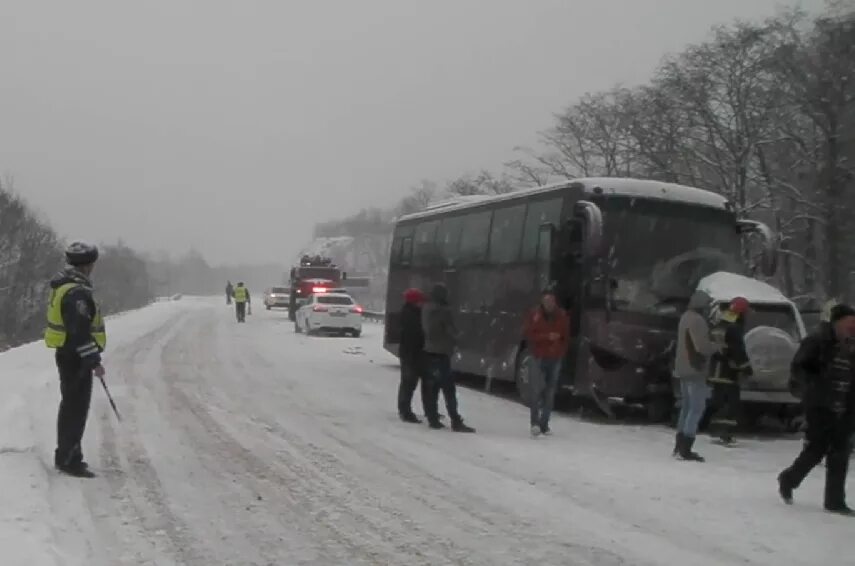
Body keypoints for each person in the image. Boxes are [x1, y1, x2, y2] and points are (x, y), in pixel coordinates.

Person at [778, 303, 855, 515]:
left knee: (840, 453)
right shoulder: (817, 342)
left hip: (846, 405)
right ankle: (789, 479)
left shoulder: (851, 345)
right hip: (820, 404)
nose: (853, 327)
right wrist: (813, 387)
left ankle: (835, 502)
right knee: (816, 449)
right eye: (849, 323)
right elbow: (799, 369)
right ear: (837, 322)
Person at [44, 242, 106, 478]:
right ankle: (69, 460)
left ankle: (68, 455)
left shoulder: (64, 284)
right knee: (75, 408)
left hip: (68, 352)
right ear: (87, 265)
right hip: (75, 356)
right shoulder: (76, 292)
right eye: (92, 264)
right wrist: (93, 359)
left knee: (71, 405)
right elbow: (79, 330)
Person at [422, 283, 475, 433]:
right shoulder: (443, 311)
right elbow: (451, 331)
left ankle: (432, 418)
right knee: (449, 390)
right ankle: (455, 420)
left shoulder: (426, 309)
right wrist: (461, 337)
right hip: (441, 353)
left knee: (432, 388)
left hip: (429, 351)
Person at [672, 291, 719, 461]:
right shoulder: (698, 320)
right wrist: (717, 346)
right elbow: (702, 347)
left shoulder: (685, 316)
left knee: (686, 407)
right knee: (697, 408)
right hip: (695, 368)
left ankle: (679, 445)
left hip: (682, 367)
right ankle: (686, 447)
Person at [523, 288, 570, 437]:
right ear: (542, 302)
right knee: (535, 390)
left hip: (555, 357)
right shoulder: (534, 315)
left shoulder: (562, 316)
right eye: (546, 301)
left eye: (551, 301)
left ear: (555, 302)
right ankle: (535, 423)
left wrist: (560, 350)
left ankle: (544, 424)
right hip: (538, 355)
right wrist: (546, 337)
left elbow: (566, 336)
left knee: (550, 392)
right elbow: (529, 334)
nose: (548, 304)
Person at [707, 296, 752, 445]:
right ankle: (724, 433)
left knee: (719, 400)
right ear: (741, 312)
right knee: (731, 402)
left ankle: (716, 430)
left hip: (717, 369)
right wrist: (747, 368)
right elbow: (737, 350)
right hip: (728, 370)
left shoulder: (722, 323)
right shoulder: (734, 327)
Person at [398, 288, 429, 423]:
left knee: (408, 383)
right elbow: (414, 336)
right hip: (411, 354)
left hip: (408, 353)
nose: (422, 303)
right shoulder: (412, 315)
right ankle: (405, 411)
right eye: (420, 301)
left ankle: (404, 409)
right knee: (409, 383)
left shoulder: (408, 313)